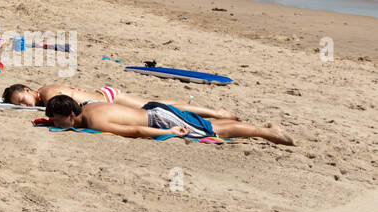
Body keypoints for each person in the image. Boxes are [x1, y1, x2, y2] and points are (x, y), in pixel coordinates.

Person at [43, 95, 293, 145]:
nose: (55, 123)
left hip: (158, 120)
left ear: (72, 114)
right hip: (154, 109)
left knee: (213, 131)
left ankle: (265, 132)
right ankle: (262, 129)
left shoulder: (94, 121)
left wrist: (172, 131)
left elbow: (136, 131)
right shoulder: (89, 105)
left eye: (57, 119)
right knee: (208, 126)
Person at [1, 83, 238, 120]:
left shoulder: (49, 96)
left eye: (22, 99)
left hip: (107, 99)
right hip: (106, 95)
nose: (24, 105)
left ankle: (216, 113)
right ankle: (213, 112)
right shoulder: (45, 91)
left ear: (27, 89)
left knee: (156, 107)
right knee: (154, 103)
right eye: (19, 105)